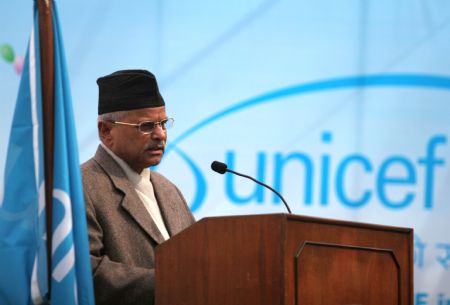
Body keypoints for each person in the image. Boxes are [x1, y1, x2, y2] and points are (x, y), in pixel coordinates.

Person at [81, 69, 195, 305]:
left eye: (163, 123)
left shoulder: (168, 190)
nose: (160, 135)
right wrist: (171, 283)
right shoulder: (81, 186)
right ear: (106, 131)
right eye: (146, 126)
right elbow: (84, 271)